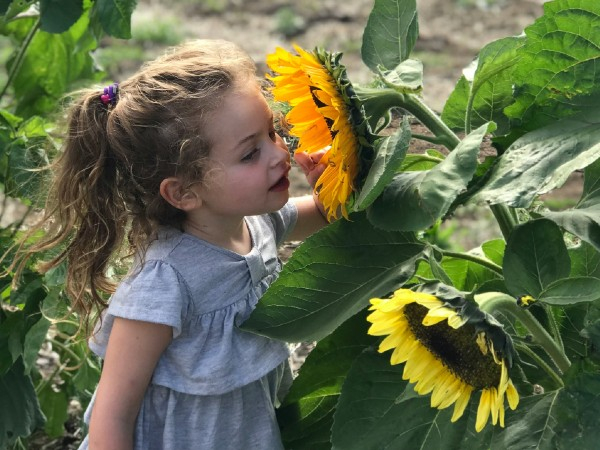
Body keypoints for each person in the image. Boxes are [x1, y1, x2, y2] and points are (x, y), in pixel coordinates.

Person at [12, 39, 329, 449]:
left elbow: (325, 214)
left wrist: (332, 181)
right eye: (250, 153)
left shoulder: (259, 222)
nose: (279, 154)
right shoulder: (165, 281)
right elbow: (113, 414)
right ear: (183, 193)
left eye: (272, 131)